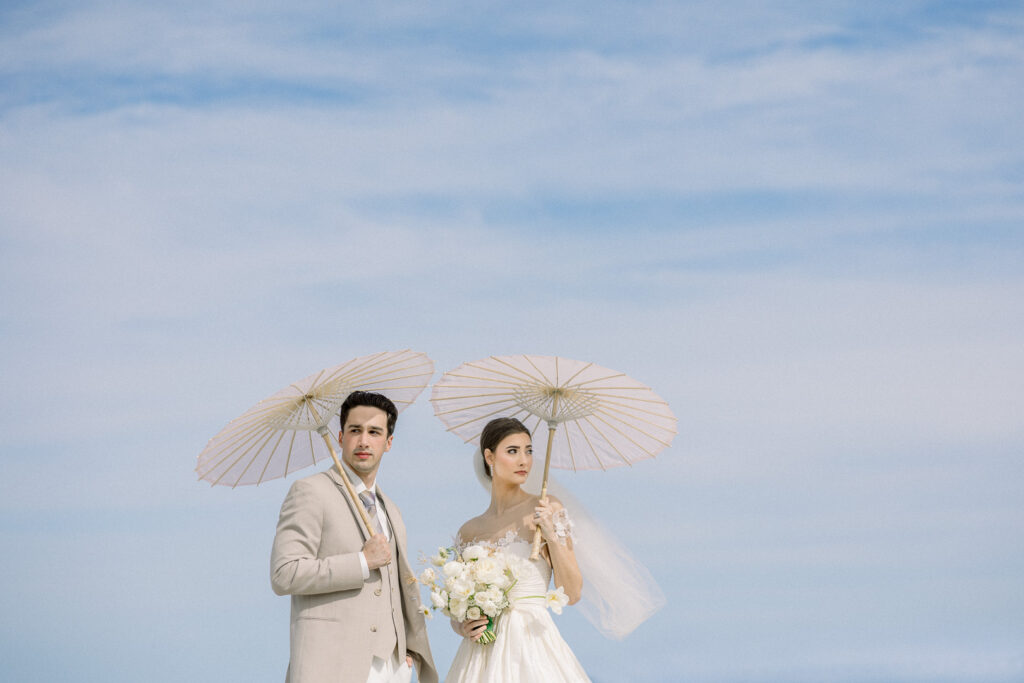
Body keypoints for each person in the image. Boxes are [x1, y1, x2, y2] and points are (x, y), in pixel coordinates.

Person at [271, 391, 437, 683]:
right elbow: (285, 574)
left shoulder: (392, 510)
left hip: (394, 669)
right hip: (332, 665)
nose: (363, 441)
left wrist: (405, 649)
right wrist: (361, 561)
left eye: (374, 432)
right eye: (355, 431)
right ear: (340, 437)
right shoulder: (310, 491)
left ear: (388, 443)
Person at [445, 417, 591, 682]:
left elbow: (573, 593)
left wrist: (551, 535)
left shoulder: (547, 509)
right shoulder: (469, 531)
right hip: (480, 655)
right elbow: (457, 609)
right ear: (489, 457)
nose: (524, 460)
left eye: (529, 451)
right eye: (512, 451)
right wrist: (463, 626)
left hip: (532, 647)